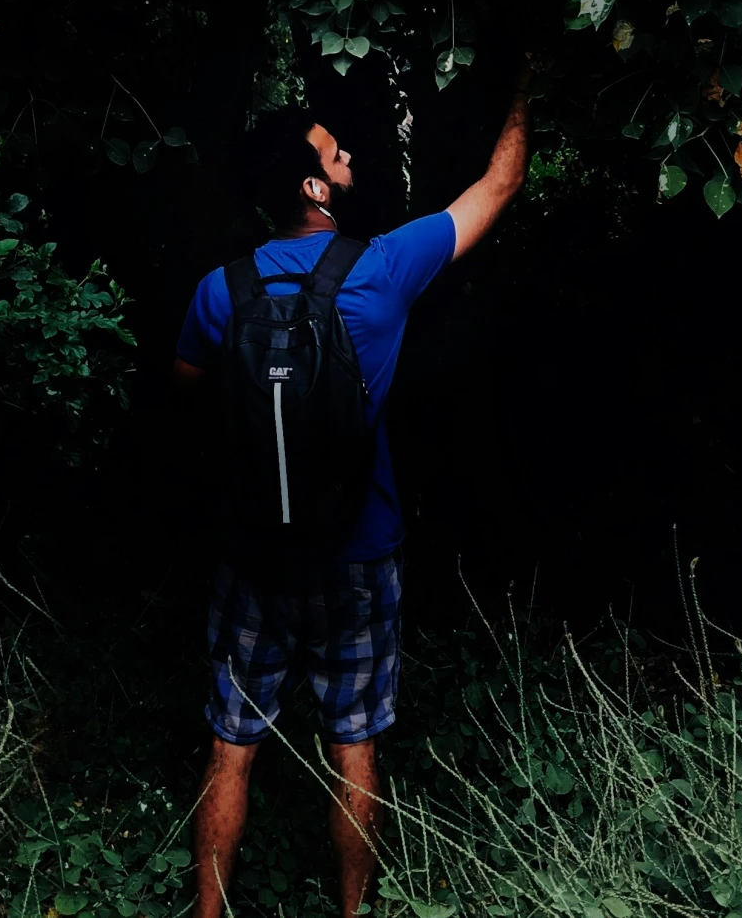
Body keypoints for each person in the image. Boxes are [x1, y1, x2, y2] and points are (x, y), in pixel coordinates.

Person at [173, 74, 530, 918]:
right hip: (358, 552)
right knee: (354, 748)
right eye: (335, 153)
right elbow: (499, 185)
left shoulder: (220, 290)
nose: (348, 156)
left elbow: (185, 389)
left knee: (230, 752)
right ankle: (351, 913)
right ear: (313, 186)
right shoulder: (380, 270)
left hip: (254, 554)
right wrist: (522, 90)